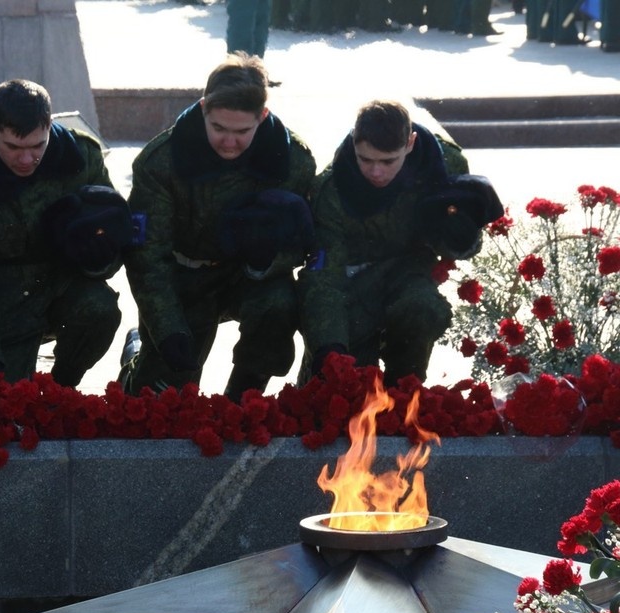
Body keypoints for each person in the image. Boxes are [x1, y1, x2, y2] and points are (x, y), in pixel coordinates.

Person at [121, 52, 317, 402]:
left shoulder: (293, 161)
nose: (230, 142)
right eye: (219, 128)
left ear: (263, 116)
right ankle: (136, 354)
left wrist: (267, 260)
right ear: (203, 110)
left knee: (278, 306)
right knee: (161, 393)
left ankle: (241, 401)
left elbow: (303, 240)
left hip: (248, 276)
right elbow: (146, 257)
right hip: (184, 277)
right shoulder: (161, 162)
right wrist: (166, 330)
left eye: (243, 131)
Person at [297, 99, 503, 387]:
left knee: (422, 310)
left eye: (388, 160)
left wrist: (461, 237)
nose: (376, 172)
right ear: (354, 143)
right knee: (340, 383)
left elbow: (462, 240)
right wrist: (328, 349)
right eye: (365, 160)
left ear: (410, 143)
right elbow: (324, 277)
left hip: (410, 273)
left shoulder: (445, 164)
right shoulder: (332, 190)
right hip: (352, 284)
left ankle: (405, 392)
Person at [0, 79, 129, 387]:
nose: (26, 160)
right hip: (5, 302)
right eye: (13, 147)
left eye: (37, 146)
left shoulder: (82, 157)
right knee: (4, 402)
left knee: (101, 309)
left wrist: (99, 257)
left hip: (64, 286)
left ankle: (63, 386)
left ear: (50, 126)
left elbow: (117, 230)